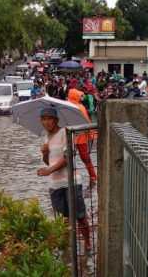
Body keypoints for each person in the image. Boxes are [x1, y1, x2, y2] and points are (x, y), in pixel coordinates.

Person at [37, 107, 92, 251]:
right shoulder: (45, 139)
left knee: (80, 216)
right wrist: (44, 154)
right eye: (43, 119)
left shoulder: (65, 133)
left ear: (57, 120)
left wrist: (48, 171)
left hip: (71, 182)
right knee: (61, 220)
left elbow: (67, 159)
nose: (46, 122)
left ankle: (87, 244)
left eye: (49, 119)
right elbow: (50, 162)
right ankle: (65, 248)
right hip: (55, 184)